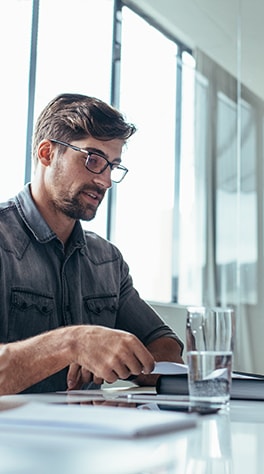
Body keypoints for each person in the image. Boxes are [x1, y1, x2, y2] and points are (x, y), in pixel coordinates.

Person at [0, 93, 183, 395]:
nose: (105, 181)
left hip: (94, 437)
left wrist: (116, 357)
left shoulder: (107, 260)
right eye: (93, 159)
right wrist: (73, 344)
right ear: (46, 154)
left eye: (113, 166)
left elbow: (166, 348)